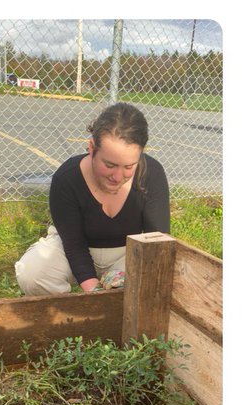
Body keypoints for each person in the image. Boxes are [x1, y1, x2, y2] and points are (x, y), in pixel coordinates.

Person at [15, 103, 170, 296]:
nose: (118, 176)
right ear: (92, 148)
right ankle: (66, 315)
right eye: (109, 164)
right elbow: (73, 244)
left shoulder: (152, 174)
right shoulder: (67, 178)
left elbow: (156, 241)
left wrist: (125, 277)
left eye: (129, 166)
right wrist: (94, 291)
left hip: (127, 253)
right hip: (75, 248)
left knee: (154, 274)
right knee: (33, 273)